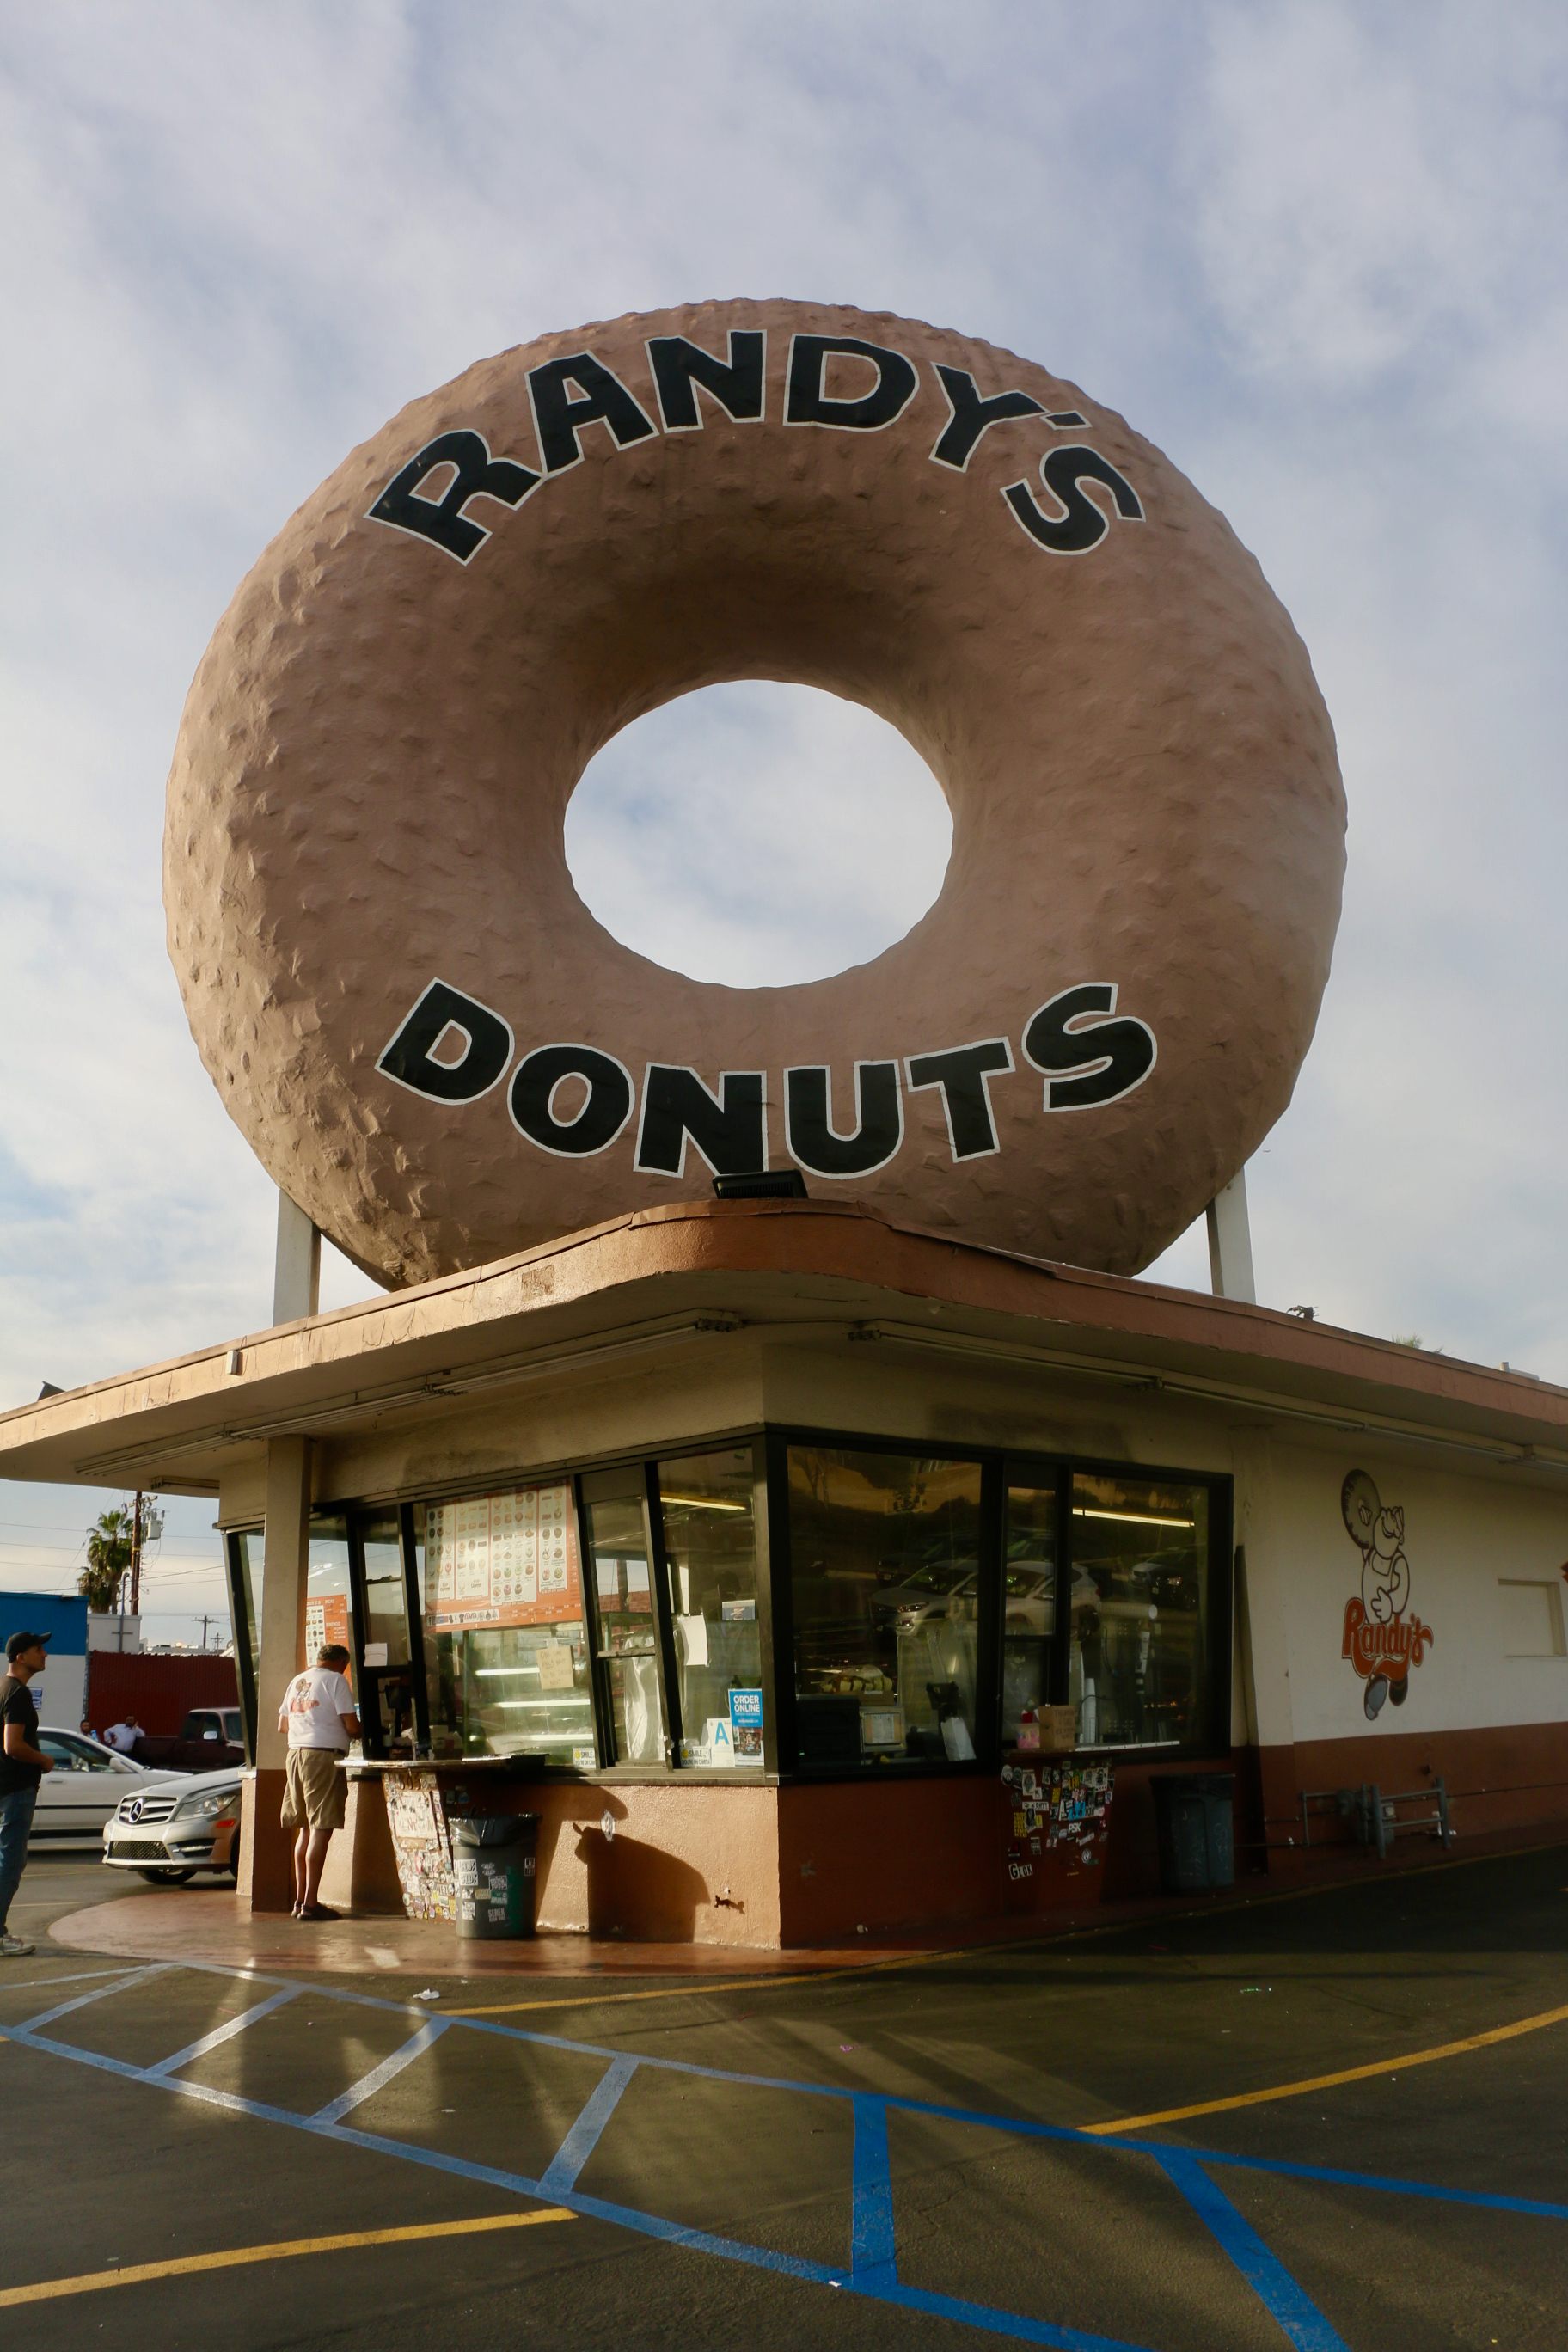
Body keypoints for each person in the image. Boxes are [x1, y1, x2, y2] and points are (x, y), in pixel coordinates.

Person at [277, 1642, 359, 1920]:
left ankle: (299, 1901)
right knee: (321, 1827)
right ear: (341, 1663)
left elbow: (282, 1726)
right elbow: (351, 1725)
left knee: (304, 1830)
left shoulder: (298, 1680)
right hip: (322, 1757)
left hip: (295, 1755)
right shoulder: (336, 1681)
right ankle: (312, 1904)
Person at [1, 1631, 57, 1958]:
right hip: (15, 1789)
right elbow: (12, 1745)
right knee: (10, 1860)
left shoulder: (3, 1688)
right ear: (21, 1657)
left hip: (5, 1785)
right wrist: (44, 1759)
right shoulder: (18, 1694)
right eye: (39, 1650)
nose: (45, 1654)